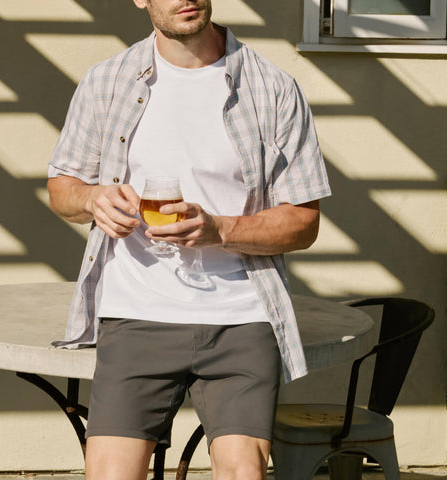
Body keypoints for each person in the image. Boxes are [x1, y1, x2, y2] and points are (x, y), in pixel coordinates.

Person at [47, 1, 331, 479]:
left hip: (241, 316)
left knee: (244, 473)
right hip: (136, 314)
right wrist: (93, 198)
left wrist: (220, 230)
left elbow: (304, 222)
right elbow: (62, 188)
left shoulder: (272, 87)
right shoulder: (106, 81)